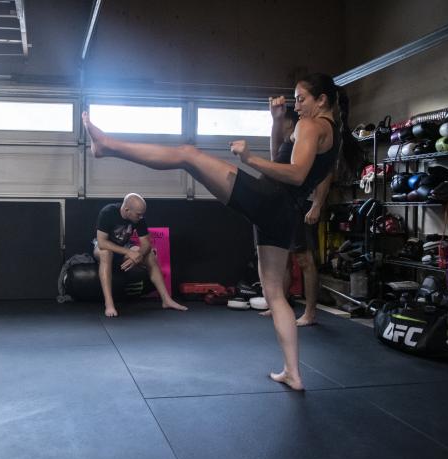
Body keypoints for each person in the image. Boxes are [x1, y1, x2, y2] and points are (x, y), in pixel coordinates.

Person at [83, 73, 358, 390]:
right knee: (274, 294)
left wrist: (248, 157)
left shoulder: (311, 125)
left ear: (321, 100)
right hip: (283, 214)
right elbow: (283, 162)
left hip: (270, 201)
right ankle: (293, 372)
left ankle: (107, 145)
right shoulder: (331, 134)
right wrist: (276, 121)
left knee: (188, 154)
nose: (297, 105)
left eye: (301, 99)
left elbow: (295, 175)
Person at [261, 106, 332, 326]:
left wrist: (317, 205)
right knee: (281, 259)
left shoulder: (310, 135)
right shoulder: (289, 142)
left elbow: (325, 173)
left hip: (300, 205)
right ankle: (279, 304)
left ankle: (310, 313)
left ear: (290, 124)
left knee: (304, 259)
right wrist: (275, 121)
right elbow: (274, 160)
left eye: (303, 99)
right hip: (282, 205)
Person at [93, 193, 188, 317]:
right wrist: (129, 252)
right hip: (103, 247)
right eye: (138, 214)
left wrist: (138, 256)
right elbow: (102, 242)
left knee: (150, 255)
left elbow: (146, 244)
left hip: (124, 247)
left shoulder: (139, 218)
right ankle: (109, 304)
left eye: (142, 214)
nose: (141, 217)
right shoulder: (108, 212)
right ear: (126, 210)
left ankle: (166, 300)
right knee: (106, 254)